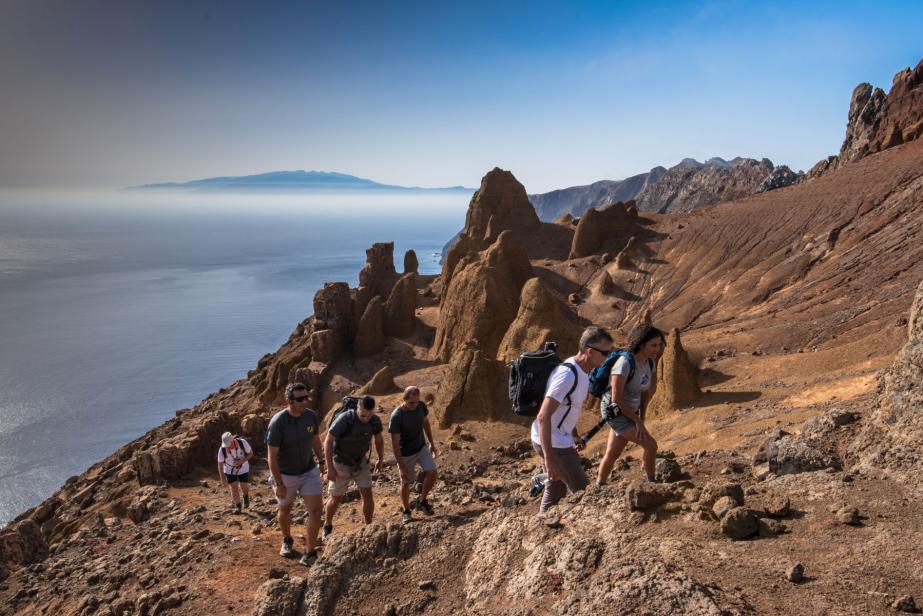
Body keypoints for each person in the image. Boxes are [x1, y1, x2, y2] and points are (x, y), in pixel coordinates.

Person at [532, 326, 613, 513]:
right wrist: (550, 457)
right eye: (605, 353)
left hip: (557, 439)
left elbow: (567, 409)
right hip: (554, 444)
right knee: (584, 491)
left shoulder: (582, 372)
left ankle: (543, 524)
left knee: (556, 487)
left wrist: (575, 435)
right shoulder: (568, 375)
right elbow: (543, 416)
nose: (608, 357)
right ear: (590, 351)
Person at [596, 324, 664, 486]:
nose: (657, 349)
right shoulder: (624, 364)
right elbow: (616, 399)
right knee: (651, 446)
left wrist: (642, 417)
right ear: (641, 345)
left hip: (629, 411)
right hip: (615, 411)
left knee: (613, 452)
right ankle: (651, 484)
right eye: (653, 345)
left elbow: (645, 392)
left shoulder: (649, 363)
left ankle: (599, 485)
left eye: (659, 344)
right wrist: (638, 422)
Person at [266, 382, 326, 567]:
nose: (305, 401)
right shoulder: (278, 423)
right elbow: (272, 457)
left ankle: (310, 552)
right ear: (288, 401)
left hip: (308, 470)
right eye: (300, 399)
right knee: (285, 510)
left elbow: (315, 439)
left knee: (316, 511)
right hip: (286, 475)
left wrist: (322, 461)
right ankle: (287, 539)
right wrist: (279, 483)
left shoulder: (311, 416)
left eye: (306, 397)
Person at [323, 395, 385, 535]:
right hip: (340, 464)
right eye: (363, 415)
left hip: (360, 463)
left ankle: (368, 526)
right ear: (357, 408)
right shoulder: (346, 419)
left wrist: (380, 459)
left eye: (369, 415)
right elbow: (328, 441)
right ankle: (327, 524)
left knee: (368, 495)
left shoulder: (374, 421)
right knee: (336, 498)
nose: (366, 418)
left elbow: (379, 440)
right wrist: (330, 468)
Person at [389, 386, 439, 522]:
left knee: (432, 472)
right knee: (405, 482)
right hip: (405, 454)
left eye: (417, 402)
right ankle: (406, 511)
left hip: (421, 447)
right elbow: (395, 444)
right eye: (411, 402)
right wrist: (401, 465)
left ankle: (421, 501)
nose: (414, 405)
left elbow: (426, 424)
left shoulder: (421, 407)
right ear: (404, 399)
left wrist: (432, 444)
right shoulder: (397, 416)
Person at [217, 431, 253, 513]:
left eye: (229, 444)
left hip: (243, 467)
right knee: (234, 487)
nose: (227, 446)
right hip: (230, 470)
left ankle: (245, 495)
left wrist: (241, 461)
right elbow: (220, 465)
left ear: (233, 440)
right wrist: (223, 479)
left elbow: (250, 454)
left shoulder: (242, 443)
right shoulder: (222, 449)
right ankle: (238, 506)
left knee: (244, 486)